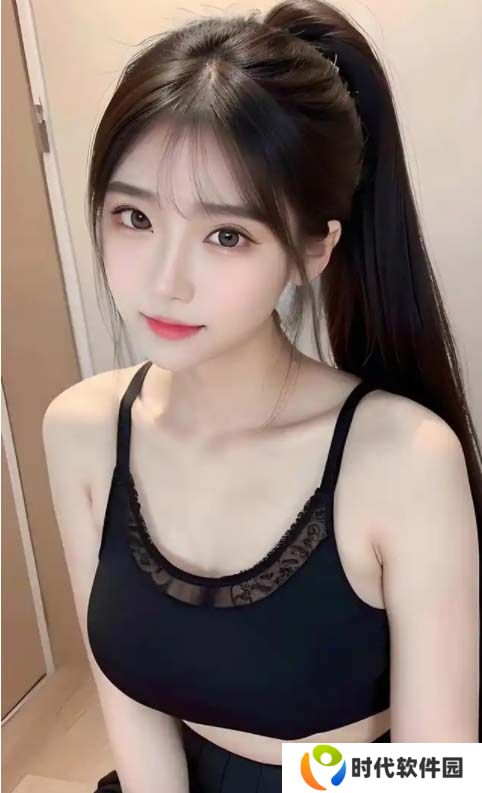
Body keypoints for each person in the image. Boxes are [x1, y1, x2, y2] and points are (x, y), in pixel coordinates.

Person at [42, 1, 481, 791]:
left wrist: (295, 779)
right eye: (134, 216)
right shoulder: (81, 430)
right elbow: (131, 708)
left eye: (226, 235)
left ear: (313, 249)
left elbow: (437, 768)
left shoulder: (403, 458)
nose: (166, 281)